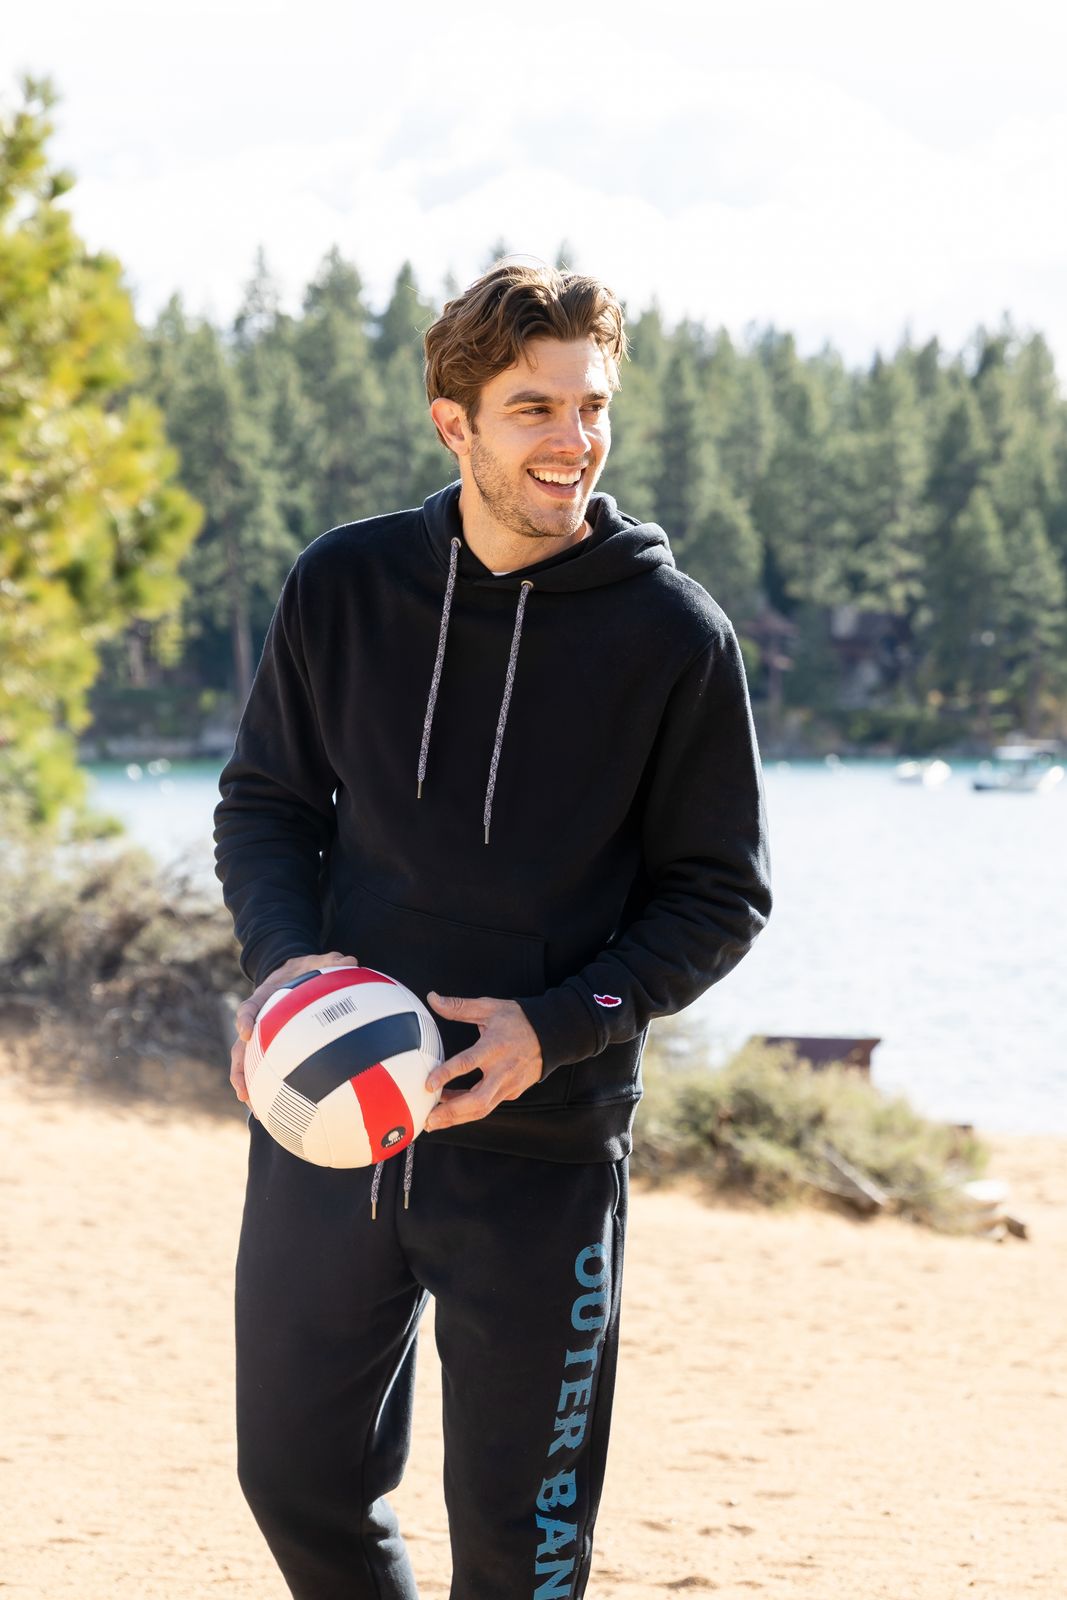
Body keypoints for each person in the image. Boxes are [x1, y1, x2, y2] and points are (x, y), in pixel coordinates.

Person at [213, 260, 771, 1600]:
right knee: (295, 1482)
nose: (574, 439)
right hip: (333, 1126)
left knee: (523, 1553)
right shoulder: (344, 587)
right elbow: (269, 805)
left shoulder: (674, 640)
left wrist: (556, 1026)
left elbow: (719, 892)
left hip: (544, 1151)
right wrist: (288, 967)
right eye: (535, 408)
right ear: (453, 423)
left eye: (592, 406)